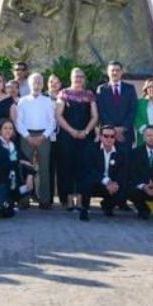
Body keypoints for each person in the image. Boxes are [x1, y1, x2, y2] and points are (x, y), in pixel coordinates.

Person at [55, 68, 98, 212]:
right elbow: (59, 115)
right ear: (71, 78)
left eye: (80, 76)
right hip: (67, 137)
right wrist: (72, 131)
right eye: (75, 76)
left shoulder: (89, 95)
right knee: (66, 168)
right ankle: (68, 202)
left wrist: (86, 131)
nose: (78, 79)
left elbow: (95, 116)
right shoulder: (64, 93)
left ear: (84, 78)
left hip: (85, 137)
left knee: (83, 169)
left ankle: (82, 202)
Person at [15, 73, 57, 208]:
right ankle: (24, 199)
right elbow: (18, 122)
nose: (37, 84)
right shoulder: (22, 101)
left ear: (43, 84)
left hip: (43, 136)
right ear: (29, 83)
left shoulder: (47, 101)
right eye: (34, 81)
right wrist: (27, 136)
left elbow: (53, 122)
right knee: (25, 168)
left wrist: (43, 136)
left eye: (39, 82)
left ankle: (45, 200)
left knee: (44, 168)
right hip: (26, 135)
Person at [0, 118, 35, 219]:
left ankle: (10, 200)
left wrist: (30, 176)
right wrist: (17, 161)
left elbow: (27, 161)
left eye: (10, 128)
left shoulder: (14, 145)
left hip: (13, 183)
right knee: (0, 211)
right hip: (0, 182)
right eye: (5, 128)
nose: (8, 130)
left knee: (8, 211)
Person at [95, 61, 137, 145]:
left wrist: (122, 128)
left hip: (125, 135)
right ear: (107, 72)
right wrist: (113, 129)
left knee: (126, 158)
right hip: (108, 135)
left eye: (117, 70)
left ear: (121, 72)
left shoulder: (130, 88)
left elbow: (133, 110)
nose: (115, 72)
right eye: (112, 70)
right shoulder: (101, 89)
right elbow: (101, 111)